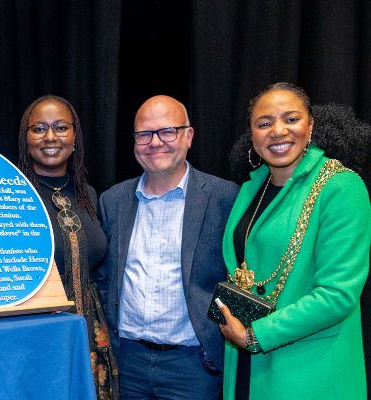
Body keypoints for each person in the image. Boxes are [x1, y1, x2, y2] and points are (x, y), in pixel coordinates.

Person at [217, 82, 370, 399]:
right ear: (252, 133)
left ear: (311, 126)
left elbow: (337, 294)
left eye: (291, 119)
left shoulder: (340, 186)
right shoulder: (250, 188)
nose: (277, 131)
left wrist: (256, 334)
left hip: (308, 372)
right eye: (264, 123)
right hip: (247, 363)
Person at [97, 95, 238, 399]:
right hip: (128, 362)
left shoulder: (224, 197)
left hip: (193, 366)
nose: (155, 142)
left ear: (188, 135)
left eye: (167, 131)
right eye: (145, 134)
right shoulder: (113, 201)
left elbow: (238, 273)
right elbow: (105, 275)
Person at [17, 94, 117, 400]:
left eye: (61, 127)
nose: (50, 137)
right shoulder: (11, 196)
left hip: (91, 335)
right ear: (26, 138)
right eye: (39, 129)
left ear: (74, 137)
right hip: (34, 336)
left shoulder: (88, 194)